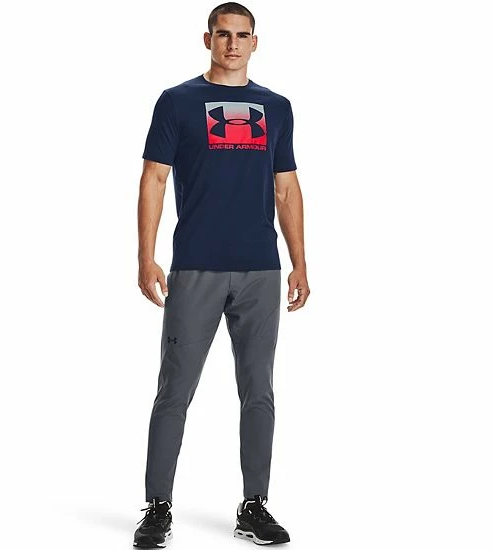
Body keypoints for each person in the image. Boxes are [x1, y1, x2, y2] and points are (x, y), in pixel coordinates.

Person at [134, 2, 310, 547]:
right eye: (223, 34)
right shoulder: (177, 102)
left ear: (255, 42)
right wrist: (145, 256)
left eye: (242, 35)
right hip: (196, 266)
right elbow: (154, 179)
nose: (232, 43)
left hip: (260, 268)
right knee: (174, 390)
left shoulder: (276, 107)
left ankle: (254, 505)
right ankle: (157, 506)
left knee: (259, 391)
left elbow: (286, 187)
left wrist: (301, 261)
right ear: (207, 39)